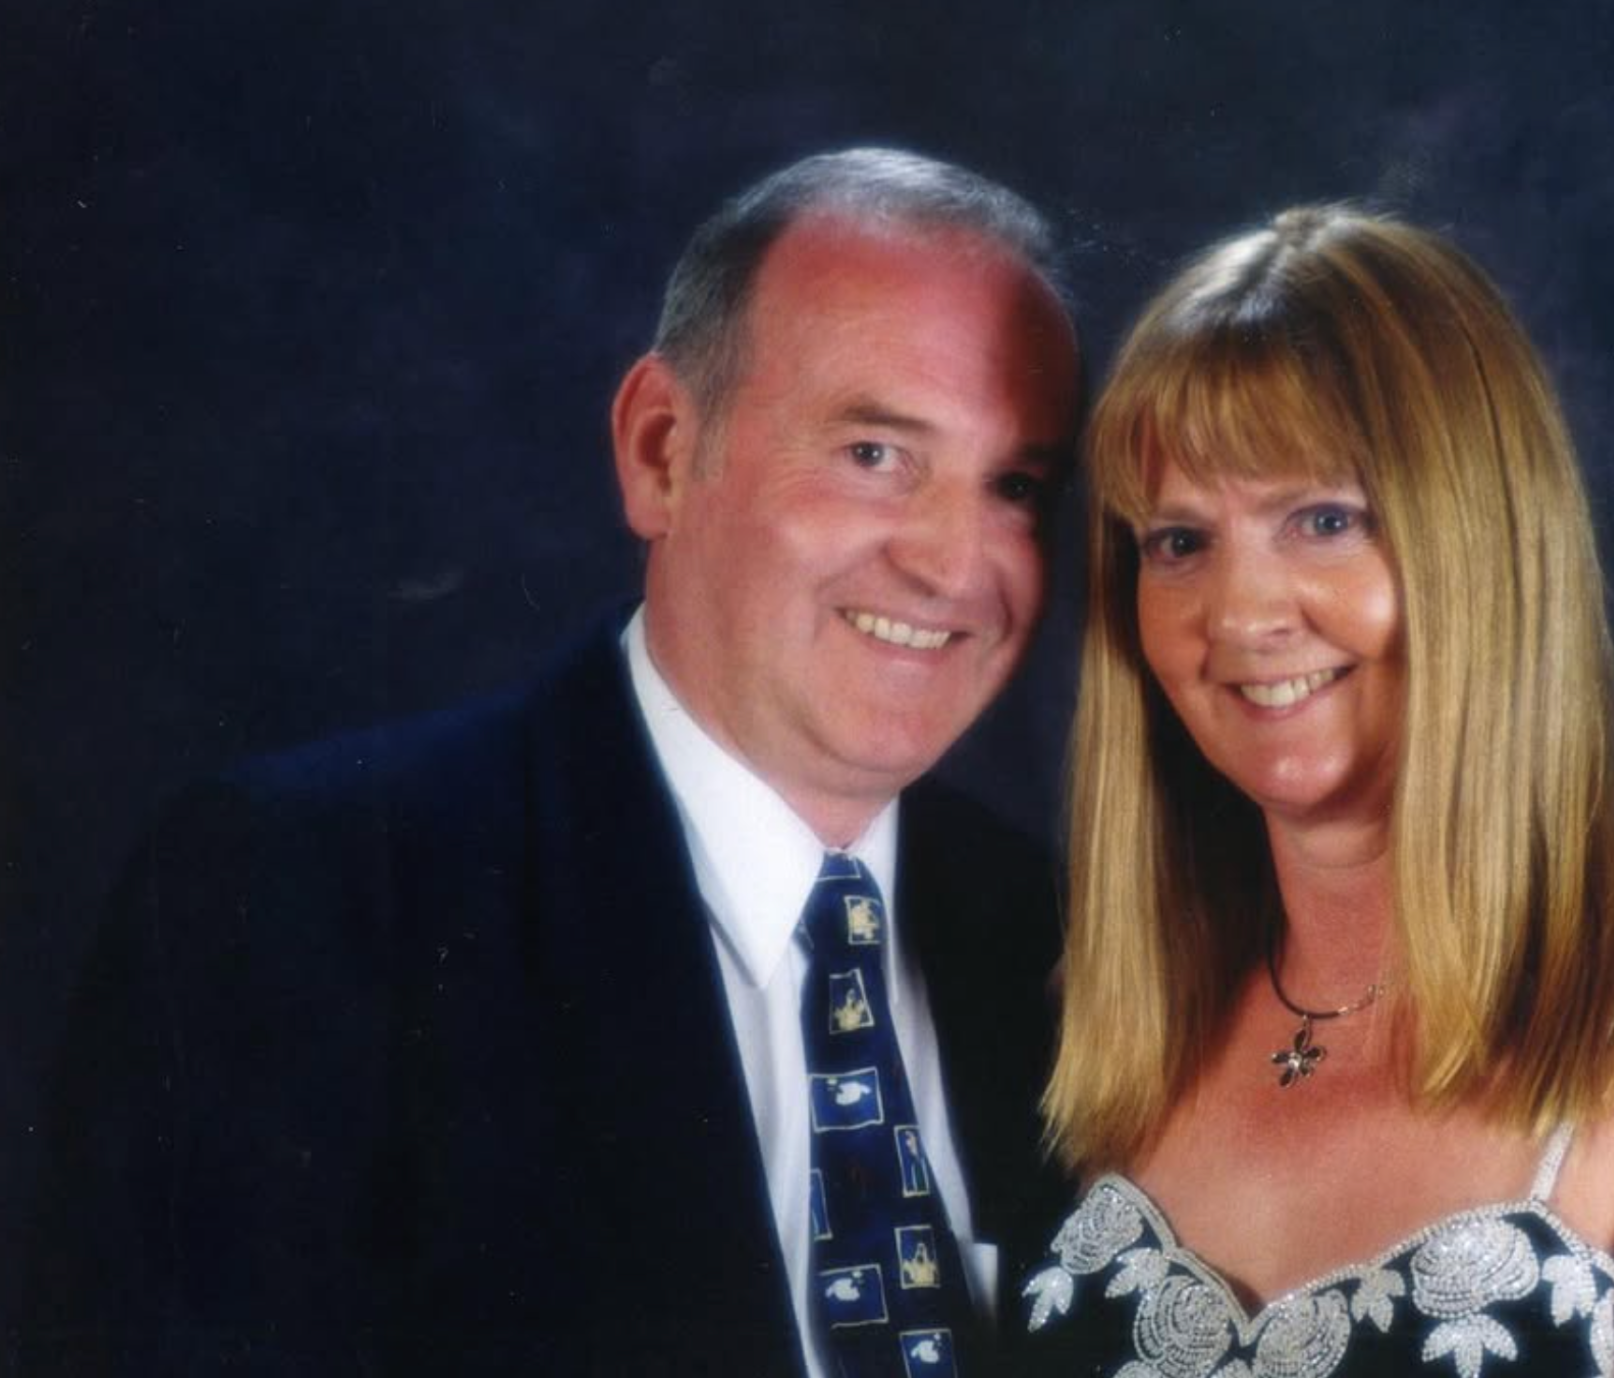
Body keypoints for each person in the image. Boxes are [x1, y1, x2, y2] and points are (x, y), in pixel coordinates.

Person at [23, 148, 1081, 1376]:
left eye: (1013, 485)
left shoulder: (1057, 940)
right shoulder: (298, 899)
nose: (953, 564)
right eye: (873, 455)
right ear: (660, 450)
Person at [1018, 207, 1614, 1376]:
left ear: (1479, 548)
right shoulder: (1114, 1009)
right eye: (1179, 542)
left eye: (1323, 520)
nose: (1238, 614)